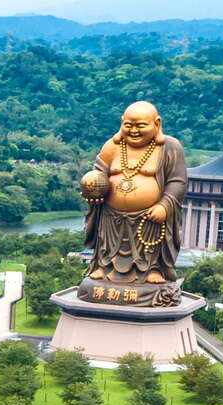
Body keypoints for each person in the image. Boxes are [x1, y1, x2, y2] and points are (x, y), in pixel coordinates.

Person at [79, 100, 188, 300]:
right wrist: (92, 190)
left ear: (157, 123)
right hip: (111, 214)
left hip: (149, 215)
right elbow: (99, 172)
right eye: (128, 125)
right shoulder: (112, 146)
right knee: (107, 243)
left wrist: (165, 205)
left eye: (141, 125)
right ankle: (104, 267)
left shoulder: (169, 147)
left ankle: (153, 269)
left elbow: (178, 181)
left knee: (149, 245)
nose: (134, 131)